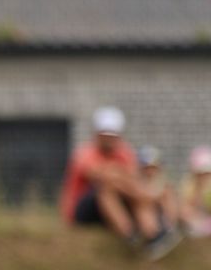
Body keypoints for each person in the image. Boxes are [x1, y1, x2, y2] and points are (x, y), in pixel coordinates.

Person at [60, 109, 179, 257]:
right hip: (83, 209)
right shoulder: (84, 154)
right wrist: (143, 193)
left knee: (135, 192)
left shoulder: (124, 152)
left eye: (112, 136)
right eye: (105, 136)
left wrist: (136, 189)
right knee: (109, 186)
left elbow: (132, 178)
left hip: (115, 203)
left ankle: (153, 233)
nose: (109, 140)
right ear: (97, 135)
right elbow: (100, 176)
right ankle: (129, 233)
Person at [184, 146, 211, 237]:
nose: (204, 177)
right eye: (201, 174)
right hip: (198, 218)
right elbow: (188, 205)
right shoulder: (190, 185)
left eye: (206, 173)